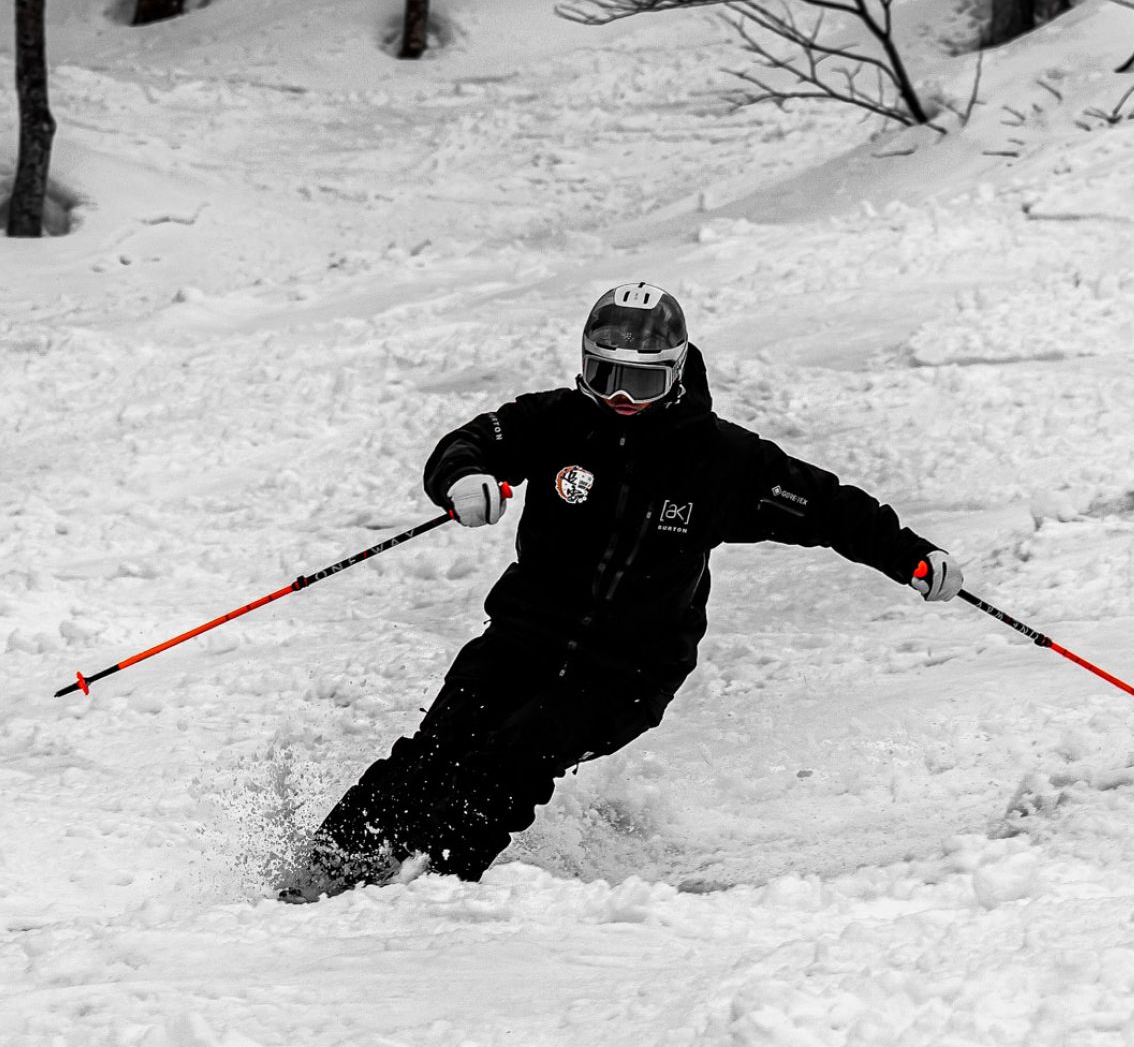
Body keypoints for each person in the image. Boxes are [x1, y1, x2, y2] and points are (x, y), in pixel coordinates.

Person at [282, 282, 963, 901]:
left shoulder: (722, 461)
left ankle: (429, 887)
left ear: (674, 373)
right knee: (438, 749)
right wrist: (464, 479)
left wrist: (912, 557)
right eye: (606, 376)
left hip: (627, 672)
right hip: (521, 639)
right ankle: (328, 869)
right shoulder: (556, 423)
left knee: (510, 759)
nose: (621, 400)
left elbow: (828, 509)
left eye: (640, 382)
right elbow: (469, 443)